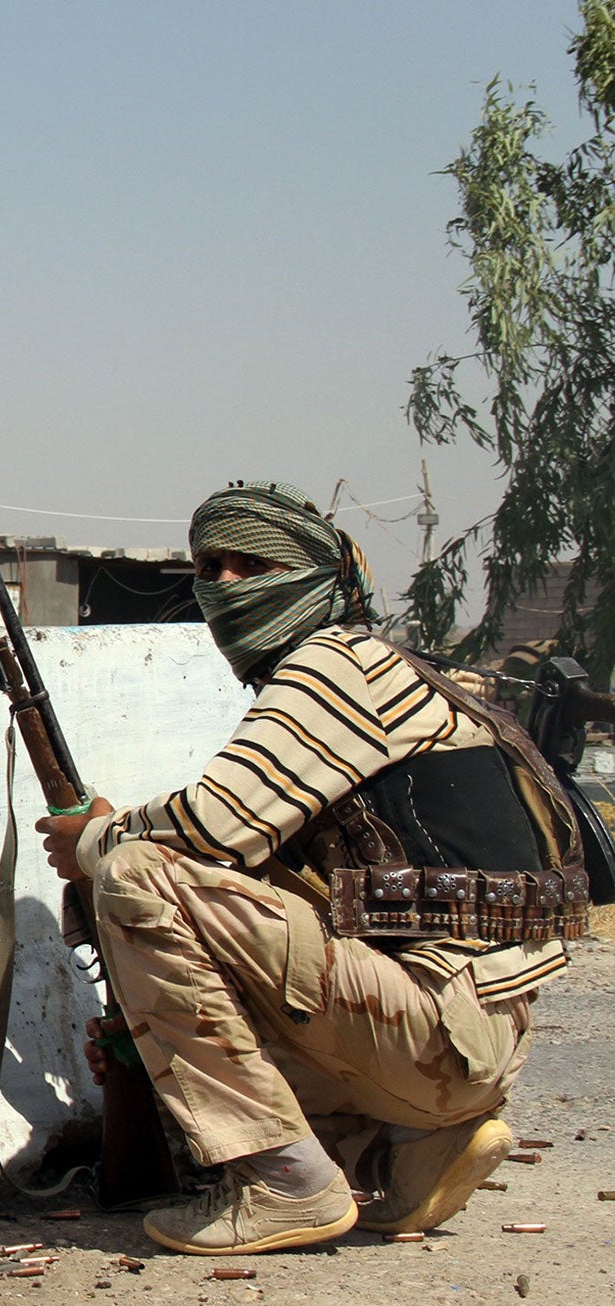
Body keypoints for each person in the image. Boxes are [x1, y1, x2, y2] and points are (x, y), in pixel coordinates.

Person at [37, 481, 586, 1257]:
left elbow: (214, 828)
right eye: (210, 568)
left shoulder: (334, 663)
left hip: (435, 1027)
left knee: (138, 874)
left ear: (320, 578)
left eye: (251, 564)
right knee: (183, 965)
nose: (223, 585)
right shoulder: (393, 669)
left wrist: (97, 839)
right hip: (467, 1045)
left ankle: (287, 1184)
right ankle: (411, 1151)